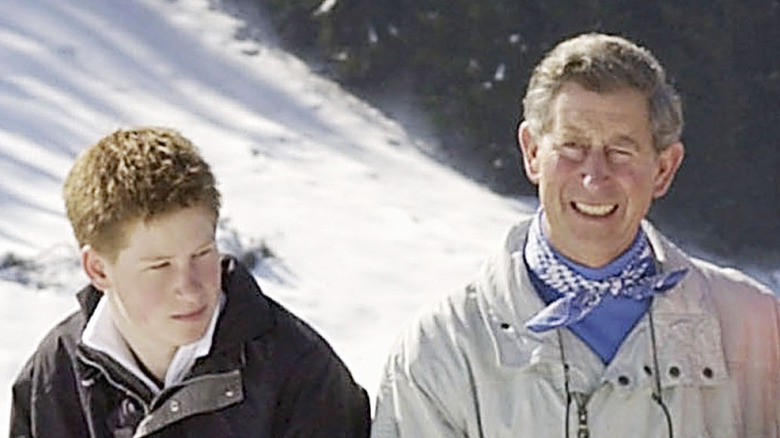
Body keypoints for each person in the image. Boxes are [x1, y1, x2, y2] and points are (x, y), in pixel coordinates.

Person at [371, 33, 780, 438]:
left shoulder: (755, 330)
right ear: (532, 152)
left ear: (664, 168)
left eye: (621, 151)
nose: (594, 175)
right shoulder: (443, 349)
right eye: (572, 146)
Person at [10, 127, 370, 437]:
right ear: (99, 270)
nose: (190, 287)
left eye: (201, 254)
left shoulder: (299, 372)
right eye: (160, 266)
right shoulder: (55, 375)